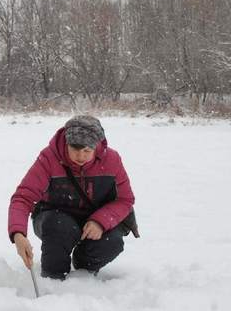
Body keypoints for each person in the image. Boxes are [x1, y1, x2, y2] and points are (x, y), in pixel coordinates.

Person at [8, 115, 137, 280]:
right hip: (53, 217)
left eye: (87, 151)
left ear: (97, 145)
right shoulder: (49, 158)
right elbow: (22, 197)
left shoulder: (112, 160)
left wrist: (100, 221)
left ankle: (83, 272)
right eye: (75, 149)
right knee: (60, 227)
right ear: (67, 143)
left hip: (94, 219)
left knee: (112, 242)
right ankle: (53, 279)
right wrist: (18, 234)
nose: (81, 156)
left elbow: (125, 199)